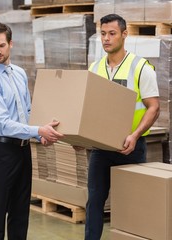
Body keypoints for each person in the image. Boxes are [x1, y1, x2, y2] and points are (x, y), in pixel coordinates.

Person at [0, 22, 64, 240]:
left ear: (11, 44)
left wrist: (38, 135)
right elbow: (4, 123)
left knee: (20, 210)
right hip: (0, 151)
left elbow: (26, 112)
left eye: (2, 45)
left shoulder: (19, 74)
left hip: (22, 150)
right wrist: (38, 130)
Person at [84, 14, 160, 240]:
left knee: (132, 204)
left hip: (131, 148)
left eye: (112, 33)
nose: (106, 39)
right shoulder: (94, 68)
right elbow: (87, 109)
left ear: (124, 34)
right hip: (101, 149)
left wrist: (135, 135)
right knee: (94, 201)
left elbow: (154, 107)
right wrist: (81, 139)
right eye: (103, 34)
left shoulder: (140, 67)